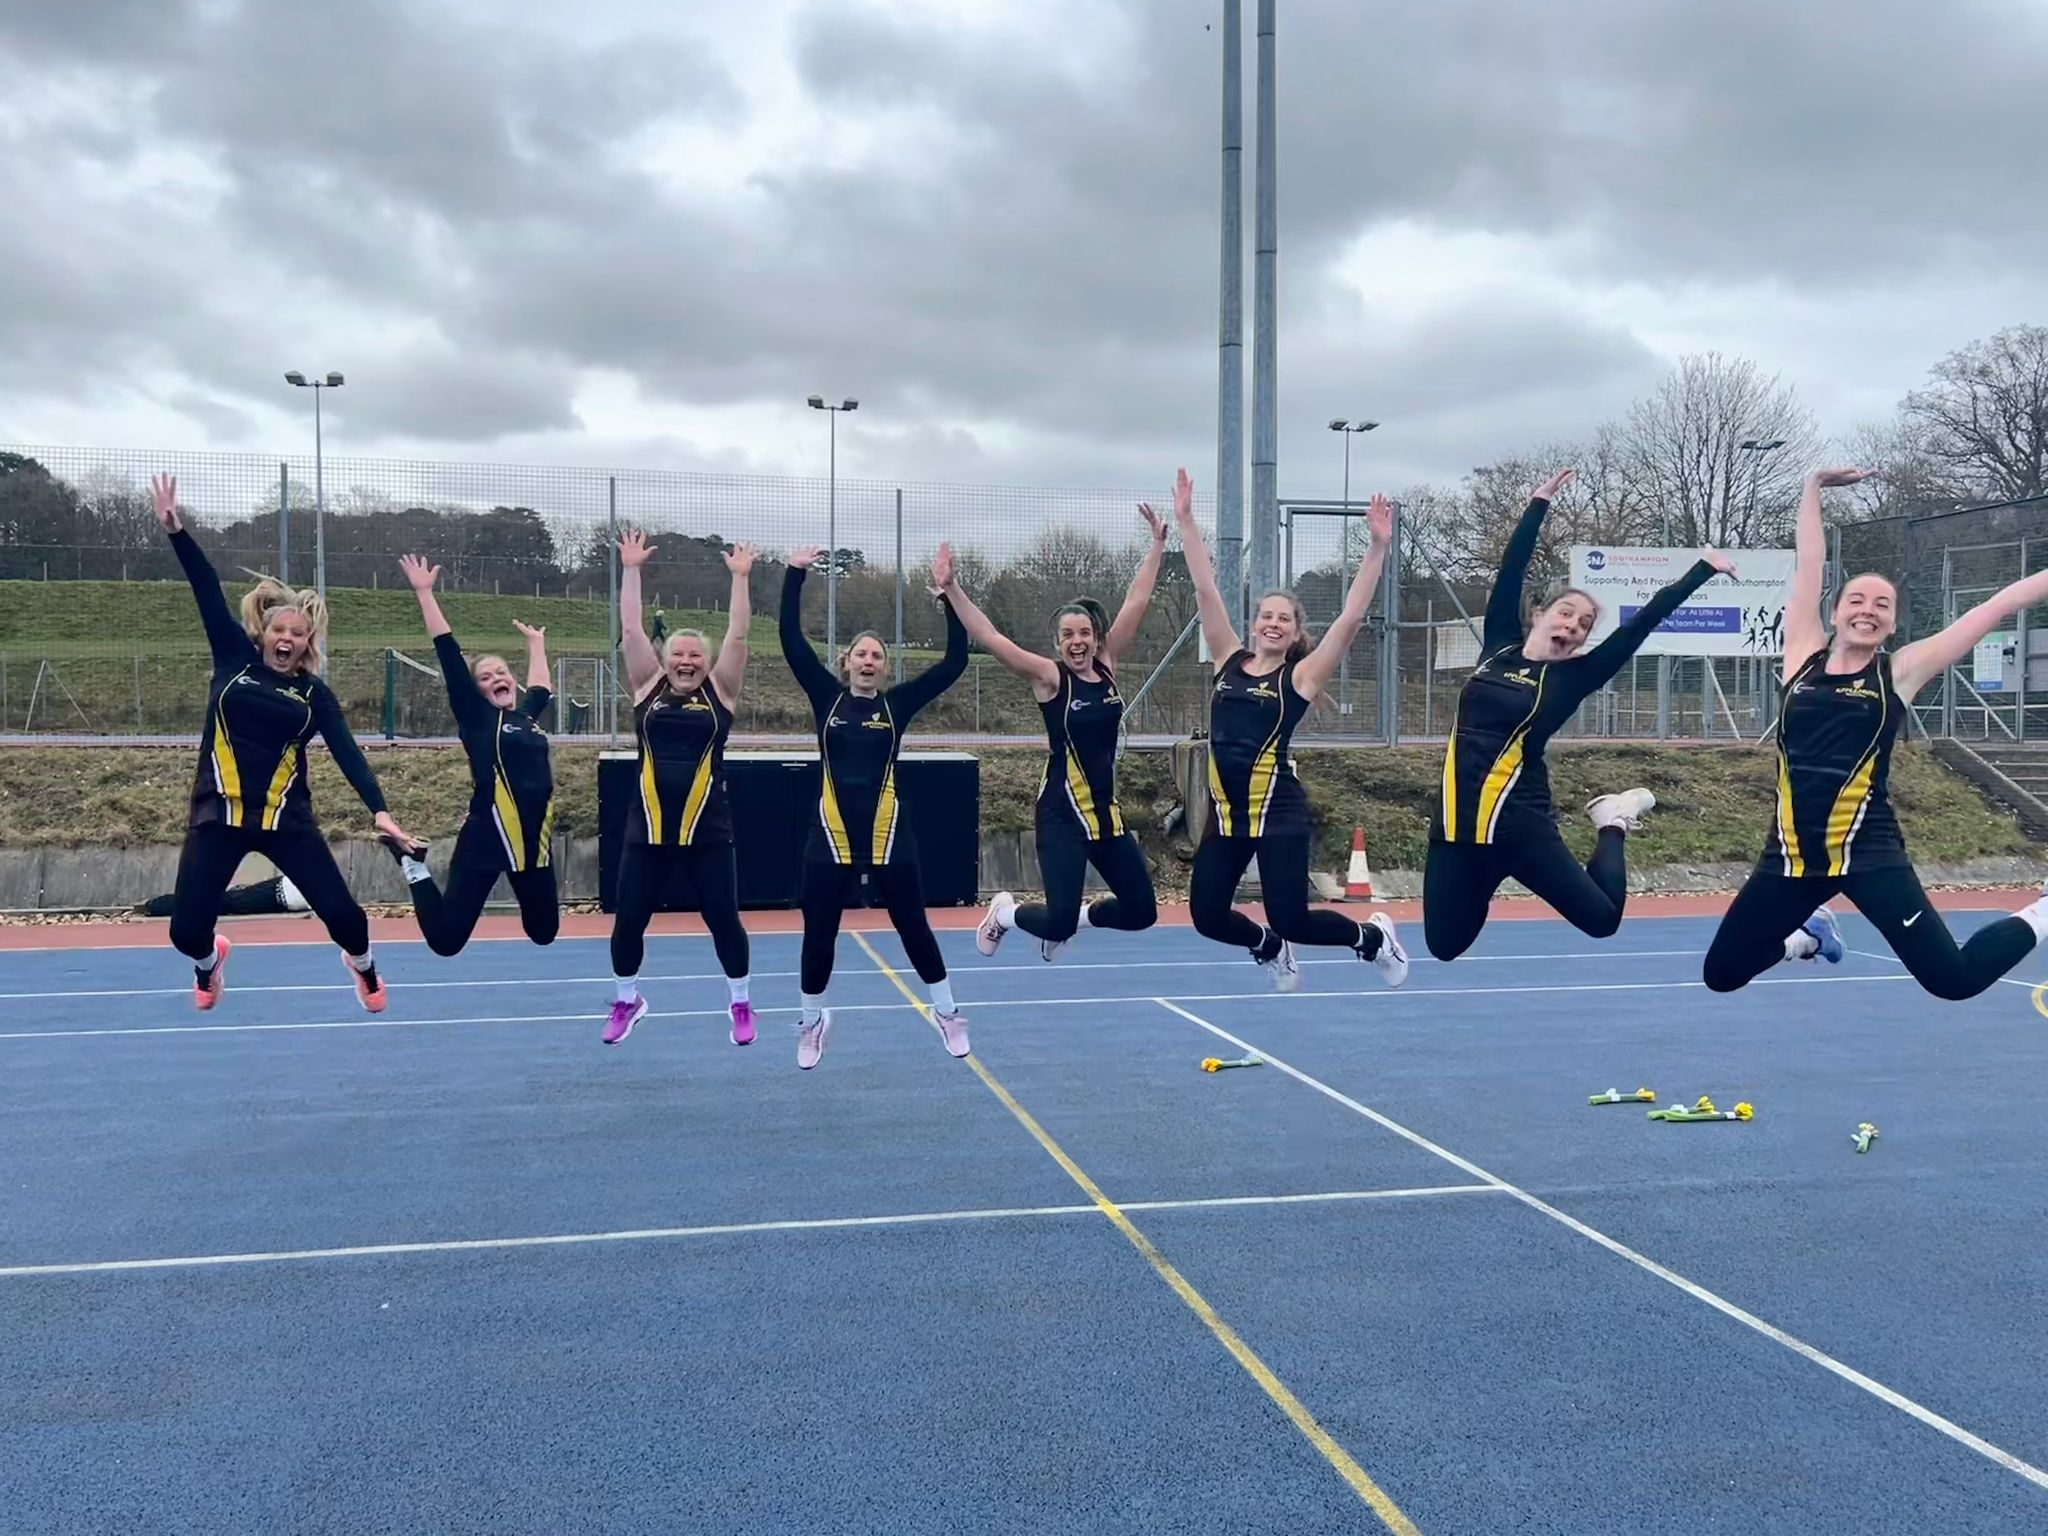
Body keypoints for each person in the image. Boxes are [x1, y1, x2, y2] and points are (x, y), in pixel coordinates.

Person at [1703, 467, 2048, 998]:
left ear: (1891, 624)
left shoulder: (1899, 671)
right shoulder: (1802, 656)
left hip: (1870, 855)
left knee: (1953, 980)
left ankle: (2044, 911)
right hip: (1790, 859)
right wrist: (1812, 487)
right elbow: (1809, 563)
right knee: (1723, 974)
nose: (1868, 611)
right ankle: (1809, 939)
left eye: (1881, 605)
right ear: (1836, 612)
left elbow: (1997, 605)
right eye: (1857, 601)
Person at [1426, 468, 1737, 961]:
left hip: (1521, 824)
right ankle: (1485, 877)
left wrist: (1703, 569)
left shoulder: (1573, 677)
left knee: (1602, 920)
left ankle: (1613, 820)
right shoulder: (1497, 647)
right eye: (1566, 613)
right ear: (1540, 615)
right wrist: (1538, 503)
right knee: (1445, 945)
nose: (1573, 625)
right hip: (1456, 825)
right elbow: (1510, 571)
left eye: (1584, 624)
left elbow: (1644, 622)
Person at [150, 472, 417, 1012]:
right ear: (264, 634)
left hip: (285, 821)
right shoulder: (233, 659)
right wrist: (177, 531)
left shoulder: (313, 695)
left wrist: (381, 812)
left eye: (298, 633)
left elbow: (349, 756)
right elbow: (205, 586)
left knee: (347, 920)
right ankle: (209, 963)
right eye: (279, 630)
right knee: (185, 931)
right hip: (218, 816)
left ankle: (363, 967)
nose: (287, 638)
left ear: (306, 642)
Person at [1171, 467, 1408, 991]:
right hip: (1227, 818)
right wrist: (1186, 520)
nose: (1274, 623)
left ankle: (1373, 940)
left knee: (1292, 917)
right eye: (1267, 616)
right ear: (1254, 624)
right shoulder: (1228, 660)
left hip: (1277, 813)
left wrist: (1377, 549)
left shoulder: (1298, 678)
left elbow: (1349, 619)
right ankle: (1268, 947)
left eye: (1284, 618)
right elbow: (1205, 589)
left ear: (1295, 631)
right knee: (1207, 916)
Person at [948, 502, 1166, 961]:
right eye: (1068, 634)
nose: (1077, 641)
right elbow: (992, 638)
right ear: (1058, 642)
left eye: (1084, 632)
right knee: (1056, 920)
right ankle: (1005, 914)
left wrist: (1158, 545)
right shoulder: (1050, 679)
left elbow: (1137, 601)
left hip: (1104, 815)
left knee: (1142, 911)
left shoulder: (1107, 667)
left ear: (1096, 637)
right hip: (1061, 815)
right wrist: (953, 590)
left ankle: (1078, 920)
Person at [781, 543, 970, 1066]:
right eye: (861, 654)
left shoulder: (896, 706)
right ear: (847, 662)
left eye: (877, 656)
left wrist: (948, 596)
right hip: (830, 835)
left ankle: (947, 1012)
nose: (868, 661)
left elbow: (955, 662)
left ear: (885, 668)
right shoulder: (827, 698)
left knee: (913, 925)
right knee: (819, 932)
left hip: (889, 835)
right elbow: (791, 639)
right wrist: (795, 574)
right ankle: (812, 1022)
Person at [604, 530, 758, 1047]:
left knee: (724, 922)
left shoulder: (721, 692)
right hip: (646, 832)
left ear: (706, 662)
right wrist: (631, 569)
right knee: (628, 922)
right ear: (665, 659)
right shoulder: (647, 687)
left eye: (695, 654)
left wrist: (740, 579)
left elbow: (738, 635)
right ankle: (627, 1000)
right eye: (678, 654)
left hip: (707, 833)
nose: (686, 661)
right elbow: (631, 629)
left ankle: (740, 1001)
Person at [385, 554, 559, 955]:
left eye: (502, 672)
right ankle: (413, 864)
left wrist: (536, 644)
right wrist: (425, 593)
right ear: (476, 690)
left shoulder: (525, 717)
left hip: (533, 842)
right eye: (486, 676)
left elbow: (541, 689)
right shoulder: (477, 718)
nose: (497, 677)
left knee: (544, 932)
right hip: (486, 837)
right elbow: (448, 652)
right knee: (446, 942)